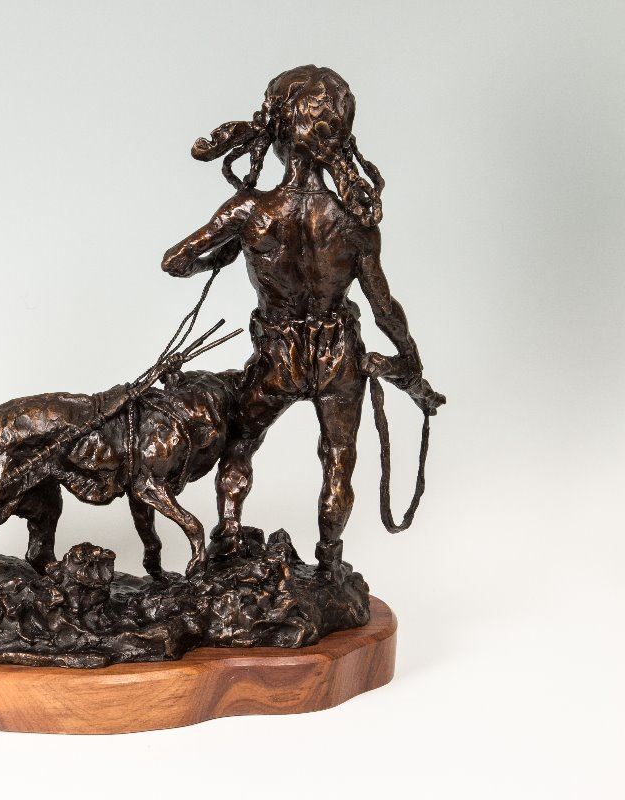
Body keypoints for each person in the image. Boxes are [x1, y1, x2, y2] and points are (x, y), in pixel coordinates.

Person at [161, 65, 438, 574]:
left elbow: (175, 262)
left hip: (277, 356)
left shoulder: (250, 211)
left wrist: (222, 255)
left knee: (241, 442)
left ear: (275, 133)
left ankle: (228, 535)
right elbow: (384, 308)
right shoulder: (353, 221)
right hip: (339, 355)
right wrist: (412, 364)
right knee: (338, 460)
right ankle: (330, 564)